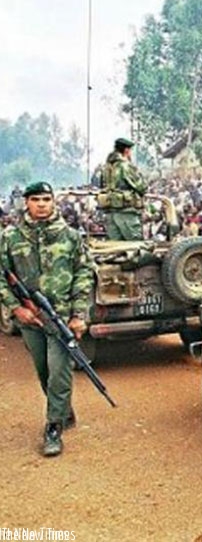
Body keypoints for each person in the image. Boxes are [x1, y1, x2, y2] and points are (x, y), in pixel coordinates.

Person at [0, 182, 94, 457]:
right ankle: (64, 410)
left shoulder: (71, 237)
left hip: (61, 318)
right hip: (30, 320)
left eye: (46, 199)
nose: (41, 204)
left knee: (58, 371)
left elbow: (83, 275)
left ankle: (53, 427)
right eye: (35, 199)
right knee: (43, 370)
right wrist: (15, 308)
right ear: (26, 203)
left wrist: (79, 316)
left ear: (54, 202)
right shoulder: (10, 237)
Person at [99, 137, 147, 240]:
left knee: (115, 248)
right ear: (126, 150)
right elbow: (141, 187)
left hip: (110, 211)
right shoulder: (125, 166)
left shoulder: (106, 167)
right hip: (126, 212)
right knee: (136, 245)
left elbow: (102, 186)